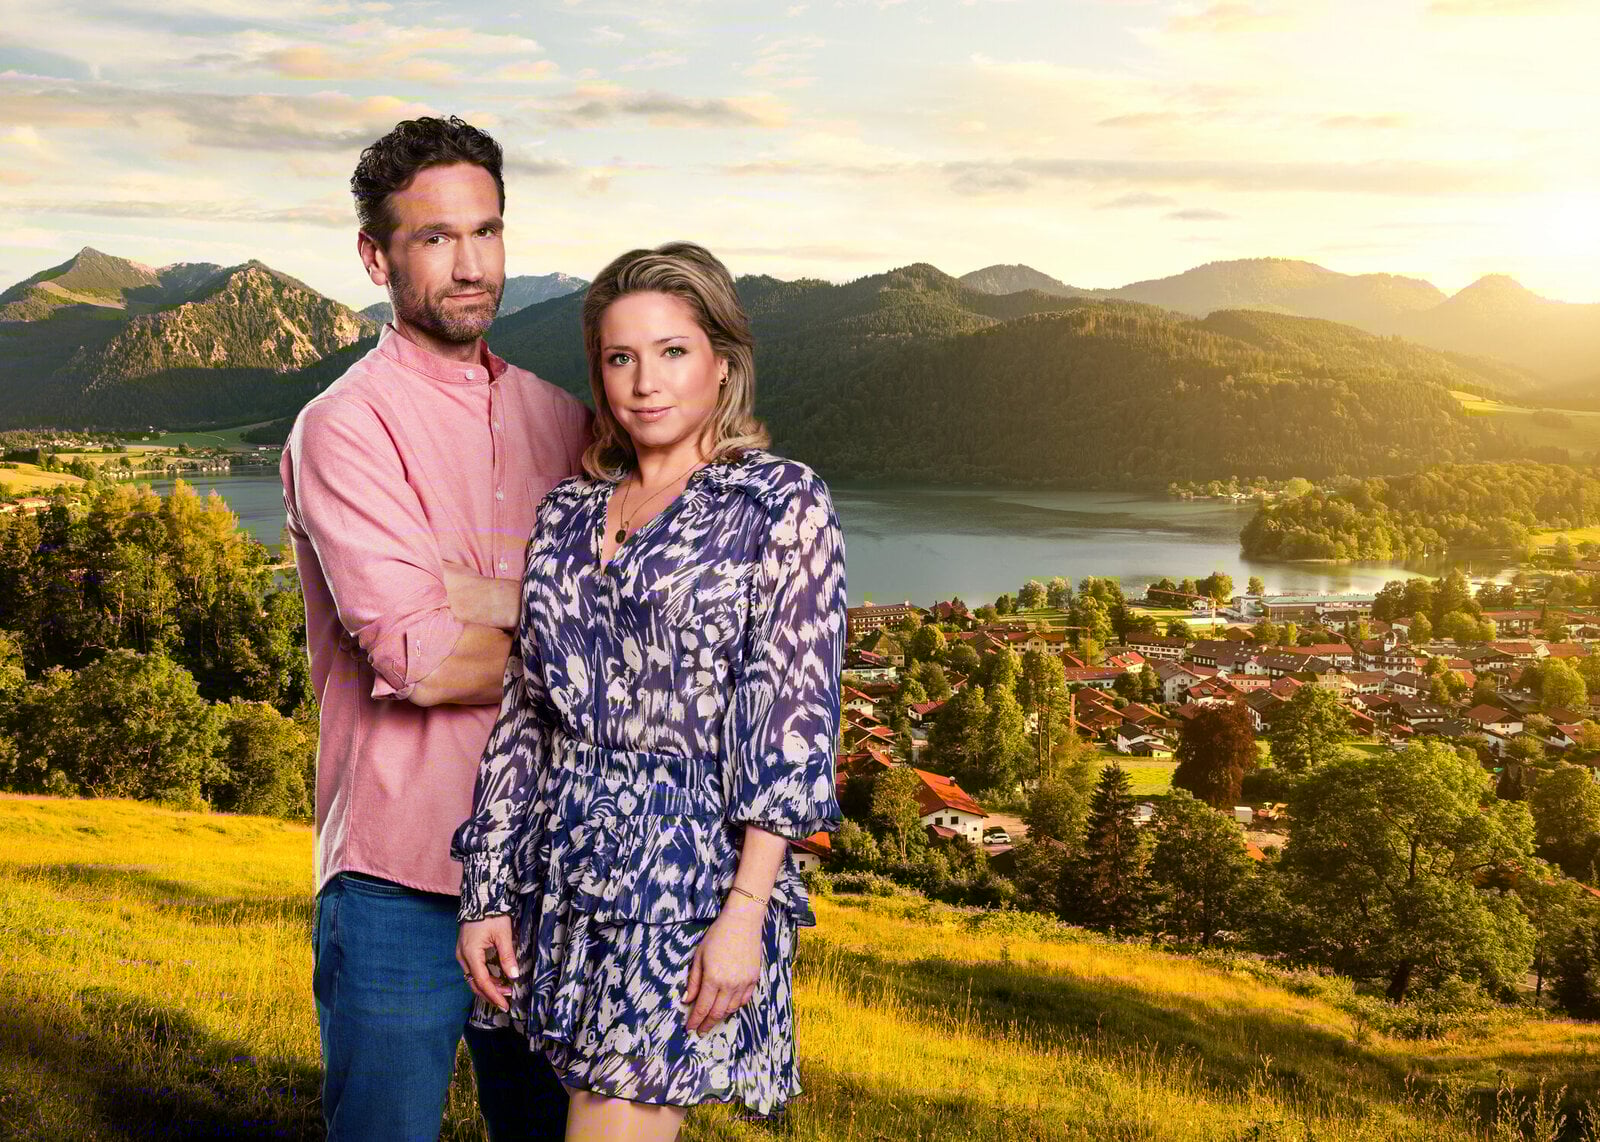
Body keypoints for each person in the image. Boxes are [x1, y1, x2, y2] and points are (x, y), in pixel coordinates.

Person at [452, 242, 845, 1141]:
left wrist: (745, 911)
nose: (644, 382)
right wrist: (486, 891)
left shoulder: (779, 504)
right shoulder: (566, 514)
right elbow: (525, 718)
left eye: (672, 351)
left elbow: (793, 720)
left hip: (680, 875)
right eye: (620, 357)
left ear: (722, 362)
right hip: (557, 863)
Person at [281, 115, 591, 1142]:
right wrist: (588, 634)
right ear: (376, 255)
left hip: (552, 872)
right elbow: (417, 658)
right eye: (435, 239)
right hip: (396, 881)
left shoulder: (564, 419)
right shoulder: (345, 424)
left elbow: (650, 600)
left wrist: (471, 591)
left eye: (487, 232)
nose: (472, 265)